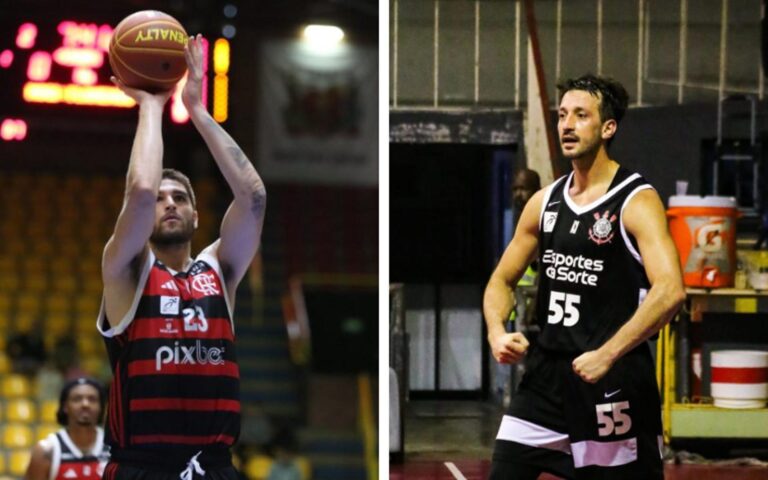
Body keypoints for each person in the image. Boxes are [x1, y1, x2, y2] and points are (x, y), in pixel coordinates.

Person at [484, 74, 685, 479]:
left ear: (608, 127)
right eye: (562, 115)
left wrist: (607, 354)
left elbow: (671, 292)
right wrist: (496, 333)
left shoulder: (636, 200)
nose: (567, 125)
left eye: (580, 115)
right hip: (545, 377)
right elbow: (500, 281)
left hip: (611, 379)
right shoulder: (545, 202)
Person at [97, 34, 266, 479]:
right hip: (142, 468)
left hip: (214, 467)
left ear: (195, 213)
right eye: (162, 198)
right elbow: (140, 193)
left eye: (181, 197)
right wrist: (151, 105)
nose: (168, 202)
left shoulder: (219, 271)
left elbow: (252, 197)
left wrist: (198, 110)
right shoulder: (128, 269)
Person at [25, 378, 110, 480]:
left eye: (92, 399)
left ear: (101, 406)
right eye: (77, 399)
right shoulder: (46, 451)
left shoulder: (113, 446)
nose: (85, 404)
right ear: (65, 406)